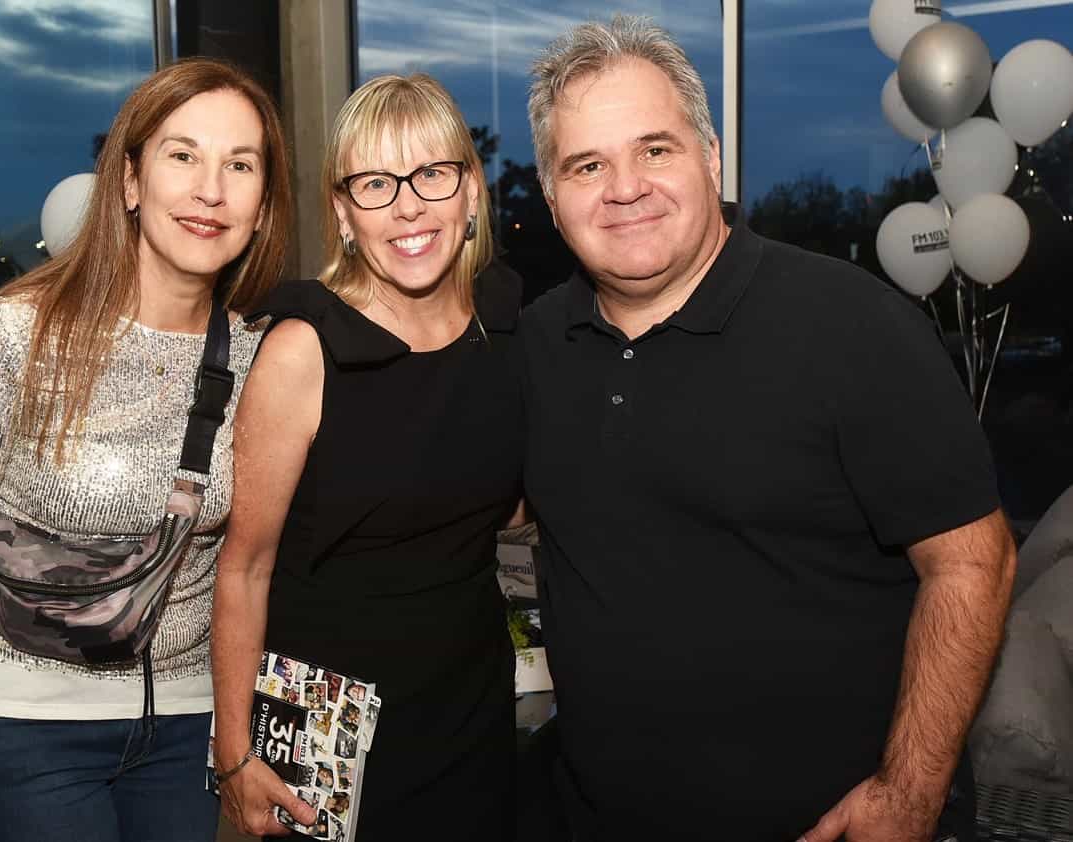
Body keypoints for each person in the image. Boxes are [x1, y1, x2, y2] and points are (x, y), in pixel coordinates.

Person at [520, 16, 1017, 842]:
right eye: (587, 164)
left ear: (711, 158)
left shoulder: (854, 327)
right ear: (550, 193)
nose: (625, 187)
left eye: (655, 149)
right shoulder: (539, 343)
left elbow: (974, 564)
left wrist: (908, 794)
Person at [0, 58, 292, 842]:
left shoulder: (262, 361)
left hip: (189, 728)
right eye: (183, 155)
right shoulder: (19, 336)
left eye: (239, 165)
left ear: (261, 207)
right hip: (25, 727)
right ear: (131, 181)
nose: (210, 190)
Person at [210, 73, 523, 841]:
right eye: (377, 183)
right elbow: (244, 567)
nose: (408, 206)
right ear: (345, 213)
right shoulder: (303, 349)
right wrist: (234, 754)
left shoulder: (507, 328)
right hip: (326, 727)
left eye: (432, 173)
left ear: (470, 193)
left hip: (469, 713)